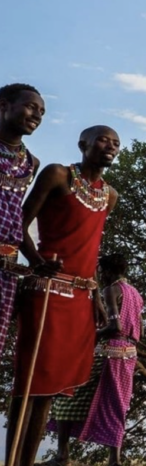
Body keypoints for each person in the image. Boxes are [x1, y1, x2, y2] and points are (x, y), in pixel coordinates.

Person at [6, 125, 120, 466]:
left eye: (116, 143)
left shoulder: (109, 196)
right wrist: (37, 262)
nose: (110, 146)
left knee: (51, 389)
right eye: (103, 139)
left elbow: (93, 247)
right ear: (83, 144)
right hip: (49, 289)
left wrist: (99, 299)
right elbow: (17, 224)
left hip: (82, 295)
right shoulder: (58, 174)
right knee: (30, 383)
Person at [47, 253, 143, 466]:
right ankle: (114, 462)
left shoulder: (111, 290)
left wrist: (86, 337)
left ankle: (62, 456)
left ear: (107, 271)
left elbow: (114, 325)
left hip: (110, 352)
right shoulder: (135, 294)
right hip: (129, 353)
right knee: (117, 405)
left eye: (100, 271)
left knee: (66, 393)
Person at [0, 84, 43, 355]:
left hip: (7, 270)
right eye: (30, 107)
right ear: (3, 106)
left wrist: (37, 262)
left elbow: (20, 219)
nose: (37, 115)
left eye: (41, 112)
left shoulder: (31, 163)